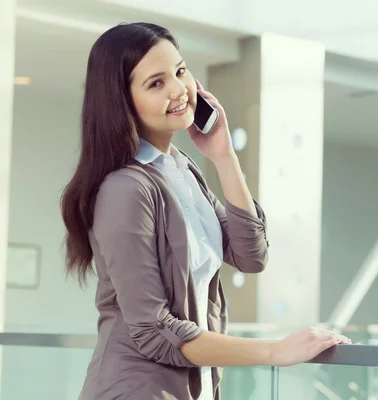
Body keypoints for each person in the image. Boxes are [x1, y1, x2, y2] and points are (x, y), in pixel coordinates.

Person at [60, 22, 350, 400]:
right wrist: (274, 352)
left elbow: (251, 256)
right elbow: (153, 330)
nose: (179, 90)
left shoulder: (182, 171)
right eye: (156, 83)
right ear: (122, 101)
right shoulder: (126, 189)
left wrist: (224, 155)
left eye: (180, 71)